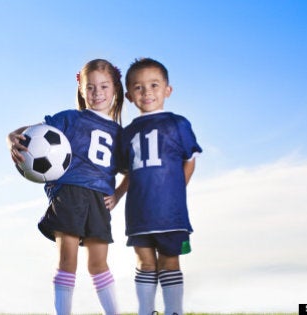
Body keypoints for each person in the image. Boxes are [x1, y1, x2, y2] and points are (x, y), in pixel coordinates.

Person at [7, 59, 126, 315]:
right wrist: (11, 137)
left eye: (104, 87)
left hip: (99, 200)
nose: (97, 93)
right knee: (67, 260)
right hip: (70, 192)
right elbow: (30, 132)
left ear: (115, 89)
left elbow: (132, 172)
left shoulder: (119, 134)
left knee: (99, 263)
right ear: (81, 89)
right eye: (91, 87)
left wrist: (117, 194)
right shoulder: (69, 119)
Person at [120, 58, 202, 315]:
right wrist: (116, 195)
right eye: (139, 87)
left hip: (171, 212)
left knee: (169, 261)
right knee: (145, 263)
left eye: (154, 85)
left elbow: (189, 161)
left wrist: (177, 191)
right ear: (129, 95)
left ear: (168, 89)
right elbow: (129, 173)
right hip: (138, 212)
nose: (147, 92)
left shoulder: (178, 124)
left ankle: (173, 311)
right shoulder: (127, 133)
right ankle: (145, 311)